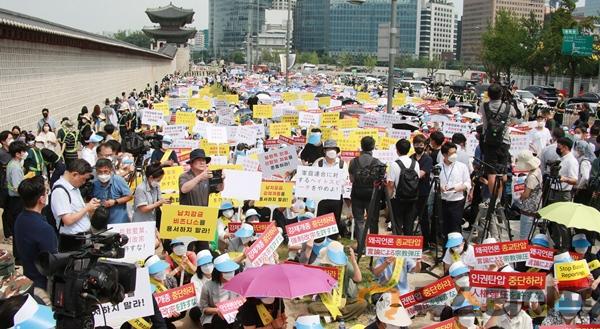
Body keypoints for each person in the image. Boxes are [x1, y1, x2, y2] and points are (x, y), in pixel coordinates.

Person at [13, 176, 57, 305]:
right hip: (42, 287)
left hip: (29, 279)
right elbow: (52, 263)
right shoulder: (43, 228)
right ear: (41, 199)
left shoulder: (20, 218)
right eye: (46, 193)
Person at [308, 241, 368, 321]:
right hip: (325, 302)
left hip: (342, 301)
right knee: (312, 307)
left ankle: (332, 317)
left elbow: (358, 279)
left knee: (362, 303)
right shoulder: (320, 266)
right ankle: (342, 316)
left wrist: (353, 261)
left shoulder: (345, 265)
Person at [479, 83, 519, 198]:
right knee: (501, 173)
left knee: (491, 172)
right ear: (501, 94)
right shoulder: (508, 107)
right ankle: (499, 198)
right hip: (504, 141)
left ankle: (493, 198)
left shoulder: (484, 106)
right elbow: (516, 115)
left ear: (489, 94)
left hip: (489, 141)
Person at [179, 149, 223, 251]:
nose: (203, 162)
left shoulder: (207, 177)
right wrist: (200, 177)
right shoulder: (184, 176)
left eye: (204, 160)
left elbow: (219, 188)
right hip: (188, 220)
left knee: (204, 251)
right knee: (189, 250)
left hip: (203, 220)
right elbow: (184, 189)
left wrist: (222, 179)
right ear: (191, 163)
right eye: (199, 160)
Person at [50, 159, 100, 244]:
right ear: (75, 174)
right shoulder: (60, 191)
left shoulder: (73, 187)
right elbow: (68, 220)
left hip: (82, 236)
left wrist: (89, 205)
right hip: (72, 239)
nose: (84, 182)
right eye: (83, 179)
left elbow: (74, 208)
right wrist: (87, 208)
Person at [348, 136, 384, 242]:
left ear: (361, 146)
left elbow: (351, 179)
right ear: (373, 147)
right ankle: (373, 244)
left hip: (357, 194)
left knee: (359, 221)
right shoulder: (378, 162)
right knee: (373, 221)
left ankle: (361, 247)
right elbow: (381, 180)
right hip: (373, 195)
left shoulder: (353, 162)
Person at [313, 139, 348, 238]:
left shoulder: (342, 164)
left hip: (336, 198)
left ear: (336, 150)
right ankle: (320, 241)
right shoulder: (319, 164)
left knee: (334, 220)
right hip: (322, 198)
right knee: (321, 221)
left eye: (333, 148)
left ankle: (332, 240)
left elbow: (344, 181)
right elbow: (312, 179)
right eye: (329, 148)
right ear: (324, 150)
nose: (331, 151)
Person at [549, 137, 579, 248]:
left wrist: (564, 178)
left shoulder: (571, 161)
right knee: (554, 221)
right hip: (554, 191)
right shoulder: (561, 159)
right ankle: (557, 244)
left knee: (562, 223)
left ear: (565, 147)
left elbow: (575, 180)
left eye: (559, 146)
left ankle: (566, 246)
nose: (557, 148)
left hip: (563, 193)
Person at [387, 138, 420, 235]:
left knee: (397, 224)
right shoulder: (415, 163)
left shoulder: (394, 164)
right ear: (409, 149)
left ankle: (397, 245)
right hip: (412, 198)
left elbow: (391, 184)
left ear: (397, 150)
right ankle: (407, 246)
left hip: (398, 199)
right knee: (409, 224)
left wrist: (389, 198)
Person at [199, 254, 241, 328]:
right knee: (220, 321)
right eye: (226, 271)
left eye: (232, 271)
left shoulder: (237, 283)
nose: (230, 273)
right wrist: (217, 310)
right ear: (218, 272)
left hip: (234, 315)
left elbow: (241, 300)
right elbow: (204, 309)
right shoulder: (207, 286)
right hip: (215, 316)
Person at [439, 142, 471, 237]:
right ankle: (446, 250)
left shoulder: (462, 166)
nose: (454, 155)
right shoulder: (438, 167)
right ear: (444, 155)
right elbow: (432, 183)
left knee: (455, 228)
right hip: (443, 200)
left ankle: (456, 250)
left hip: (457, 201)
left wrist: (461, 187)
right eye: (451, 153)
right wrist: (439, 187)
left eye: (455, 152)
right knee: (444, 228)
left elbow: (468, 182)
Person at [91, 159, 132, 224]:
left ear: (111, 170)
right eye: (100, 172)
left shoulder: (118, 180)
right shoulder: (95, 183)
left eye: (105, 171)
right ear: (96, 171)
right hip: (101, 221)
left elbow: (129, 196)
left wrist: (115, 202)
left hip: (118, 220)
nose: (103, 174)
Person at [6, 141, 28, 254]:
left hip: (15, 200)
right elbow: (17, 188)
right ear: (17, 154)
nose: (25, 153)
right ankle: (19, 255)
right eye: (23, 151)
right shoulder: (15, 167)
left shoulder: (14, 164)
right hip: (16, 201)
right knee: (19, 228)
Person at [514, 151, 543, 240]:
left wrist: (519, 197)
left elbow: (526, 194)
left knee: (524, 237)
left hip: (528, 209)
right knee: (531, 234)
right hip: (535, 207)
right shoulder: (537, 170)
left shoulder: (531, 177)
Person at [411, 134, 434, 248]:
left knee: (423, 218)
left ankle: (426, 242)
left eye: (421, 145)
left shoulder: (428, 159)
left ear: (425, 146)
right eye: (416, 144)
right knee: (410, 217)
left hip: (423, 192)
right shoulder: (411, 157)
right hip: (411, 192)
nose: (418, 146)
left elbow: (421, 174)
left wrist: (410, 175)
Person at [189, 249, 214, 325]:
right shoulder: (195, 279)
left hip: (220, 304)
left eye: (209, 263)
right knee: (194, 312)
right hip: (205, 307)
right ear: (199, 266)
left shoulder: (219, 273)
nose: (207, 266)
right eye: (204, 264)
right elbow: (199, 300)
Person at [0, 131, 13, 243]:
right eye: (9, 138)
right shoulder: (2, 154)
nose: (11, 140)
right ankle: (7, 234)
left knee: (12, 209)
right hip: (4, 185)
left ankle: (11, 231)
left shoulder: (12, 152)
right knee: (7, 210)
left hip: (12, 185)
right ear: (3, 141)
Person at [573, 140, 595, 205]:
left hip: (582, 190)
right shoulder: (589, 159)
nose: (576, 151)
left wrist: (578, 188)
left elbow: (585, 177)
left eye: (578, 149)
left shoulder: (584, 161)